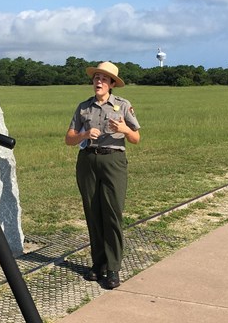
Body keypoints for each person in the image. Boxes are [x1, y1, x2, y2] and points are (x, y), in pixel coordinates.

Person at [65, 61, 140, 289]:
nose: (99, 82)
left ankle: (113, 268)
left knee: (112, 213)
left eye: (104, 79)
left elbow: (136, 138)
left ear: (112, 84)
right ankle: (98, 265)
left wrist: (124, 130)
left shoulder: (123, 105)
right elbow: (69, 139)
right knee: (93, 212)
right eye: (96, 78)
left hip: (113, 161)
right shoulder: (83, 107)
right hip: (87, 160)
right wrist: (85, 133)